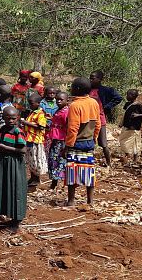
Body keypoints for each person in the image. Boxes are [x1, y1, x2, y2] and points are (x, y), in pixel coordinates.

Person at [65, 78, 102, 206]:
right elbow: (98, 124)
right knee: (89, 171)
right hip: (89, 142)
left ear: (78, 89)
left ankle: (71, 201)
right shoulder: (94, 103)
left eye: (73, 87)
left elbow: (73, 128)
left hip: (76, 143)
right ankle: (90, 201)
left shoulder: (75, 105)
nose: (71, 89)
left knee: (72, 171)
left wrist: (68, 145)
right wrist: (94, 138)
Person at [0, 106, 27, 233]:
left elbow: (23, 150)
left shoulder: (18, 131)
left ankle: (16, 222)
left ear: (17, 118)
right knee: (4, 187)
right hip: (3, 162)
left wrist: (5, 148)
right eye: (8, 118)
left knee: (15, 189)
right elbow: (1, 143)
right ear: (3, 118)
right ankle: (5, 214)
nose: (11, 121)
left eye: (13, 118)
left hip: (15, 164)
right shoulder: (2, 129)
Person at [89, 71, 123, 166]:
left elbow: (118, 97)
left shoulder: (106, 90)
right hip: (88, 120)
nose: (91, 80)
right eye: (90, 78)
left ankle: (109, 163)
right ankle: (89, 161)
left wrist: (108, 106)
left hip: (100, 118)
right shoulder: (87, 90)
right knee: (89, 141)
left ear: (100, 79)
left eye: (93, 78)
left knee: (103, 143)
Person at [21, 94, 48, 187]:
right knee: (31, 159)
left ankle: (36, 179)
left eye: (31, 103)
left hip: (36, 140)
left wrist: (25, 122)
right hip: (29, 139)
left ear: (38, 103)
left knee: (36, 159)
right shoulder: (32, 112)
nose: (30, 105)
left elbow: (41, 126)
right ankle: (32, 178)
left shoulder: (41, 113)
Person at [47, 91, 69, 190]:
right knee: (53, 160)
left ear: (67, 101)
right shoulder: (59, 110)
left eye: (61, 100)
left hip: (61, 140)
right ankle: (55, 182)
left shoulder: (66, 112)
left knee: (58, 161)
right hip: (55, 138)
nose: (58, 101)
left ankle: (57, 183)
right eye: (57, 100)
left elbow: (68, 127)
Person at [117, 89, 142, 166]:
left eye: (129, 95)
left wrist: (137, 115)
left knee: (135, 144)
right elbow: (125, 114)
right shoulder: (127, 104)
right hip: (126, 126)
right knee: (123, 141)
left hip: (134, 127)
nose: (127, 96)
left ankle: (135, 159)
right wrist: (121, 123)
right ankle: (127, 154)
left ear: (134, 96)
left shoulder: (138, 105)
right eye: (127, 94)